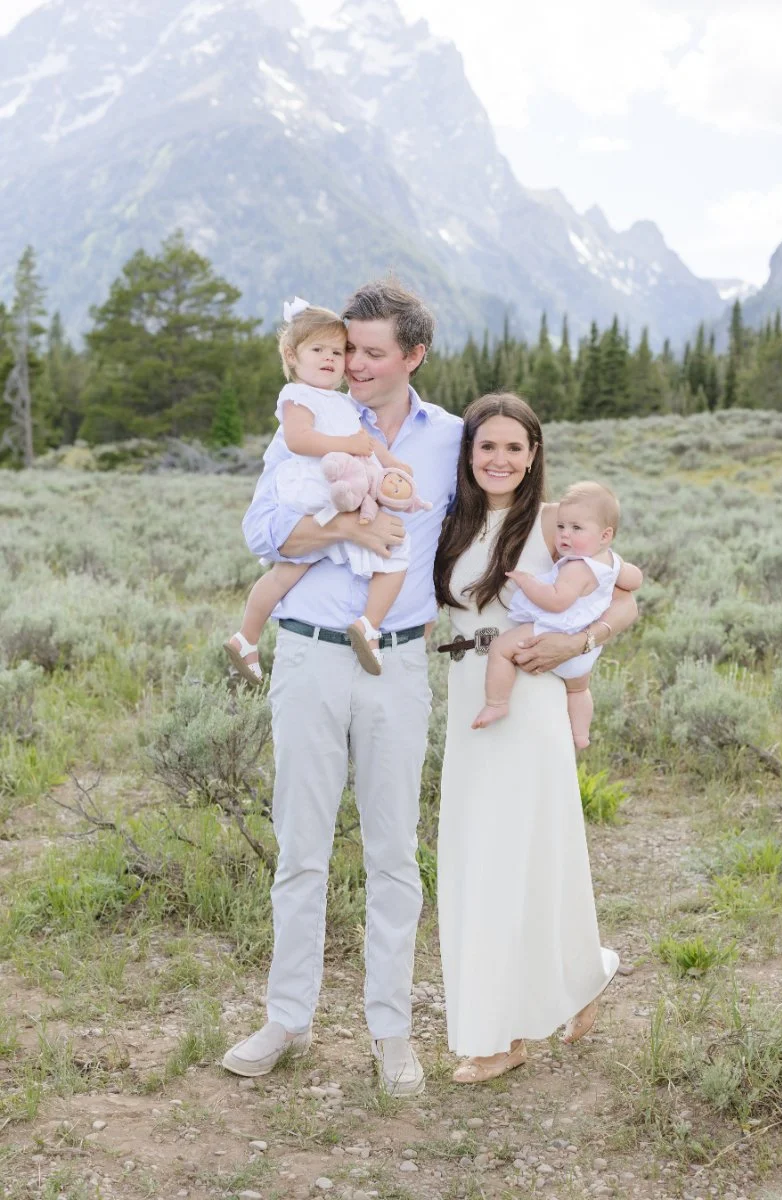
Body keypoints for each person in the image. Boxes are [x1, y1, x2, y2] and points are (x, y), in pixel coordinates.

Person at [221, 280, 462, 1096]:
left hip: (396, 662)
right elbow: (263, 533)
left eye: (371, 352)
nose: (352, 364)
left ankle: (391, 1031)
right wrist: (347, 529)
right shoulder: (310, 423)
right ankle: (287, 1019)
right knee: (302, 845)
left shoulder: (451, 440)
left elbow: (498, 534)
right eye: (346, 348)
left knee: (394, 853)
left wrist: (597, 609)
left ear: (413, 356)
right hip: (310, 656)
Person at [434, 393, 635, 1084]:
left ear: (534, 455)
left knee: (522, 854)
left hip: (534, 695)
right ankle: (579, 979)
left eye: (514, 448)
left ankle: (501, 1036)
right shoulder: (450, 521)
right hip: (471, 693)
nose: (499, 459)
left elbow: (629, 592)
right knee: (477, 854)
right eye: (486, 446)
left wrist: (579, 639)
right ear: (468, 454)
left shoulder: (554, 524)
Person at [224, 299, 420, 683]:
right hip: (313, 488)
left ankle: (247, 637)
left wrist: (391, 463)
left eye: (337, 351)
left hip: (332, 487)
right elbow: (300, 440)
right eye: (319, 350)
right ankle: (367, 624)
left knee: (290, 571)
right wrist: (349, 446)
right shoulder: (297, 395)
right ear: (292, 356)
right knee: (395, 553)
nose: (331, 359)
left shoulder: (341, 402)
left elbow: (365, 441)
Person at [472, 480, 643, 746]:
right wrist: (619, 567)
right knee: (579, 689)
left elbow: (556, 601)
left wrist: (528, 582)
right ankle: (581, 735)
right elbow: (634, 580)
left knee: (501, 649)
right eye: (561, 526)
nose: (564, 534)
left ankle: (496, 703)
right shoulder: (610, 561)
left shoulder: (575, 567)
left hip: (554, 632)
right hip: (584, 650)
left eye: (576, 528)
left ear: (605, 535)